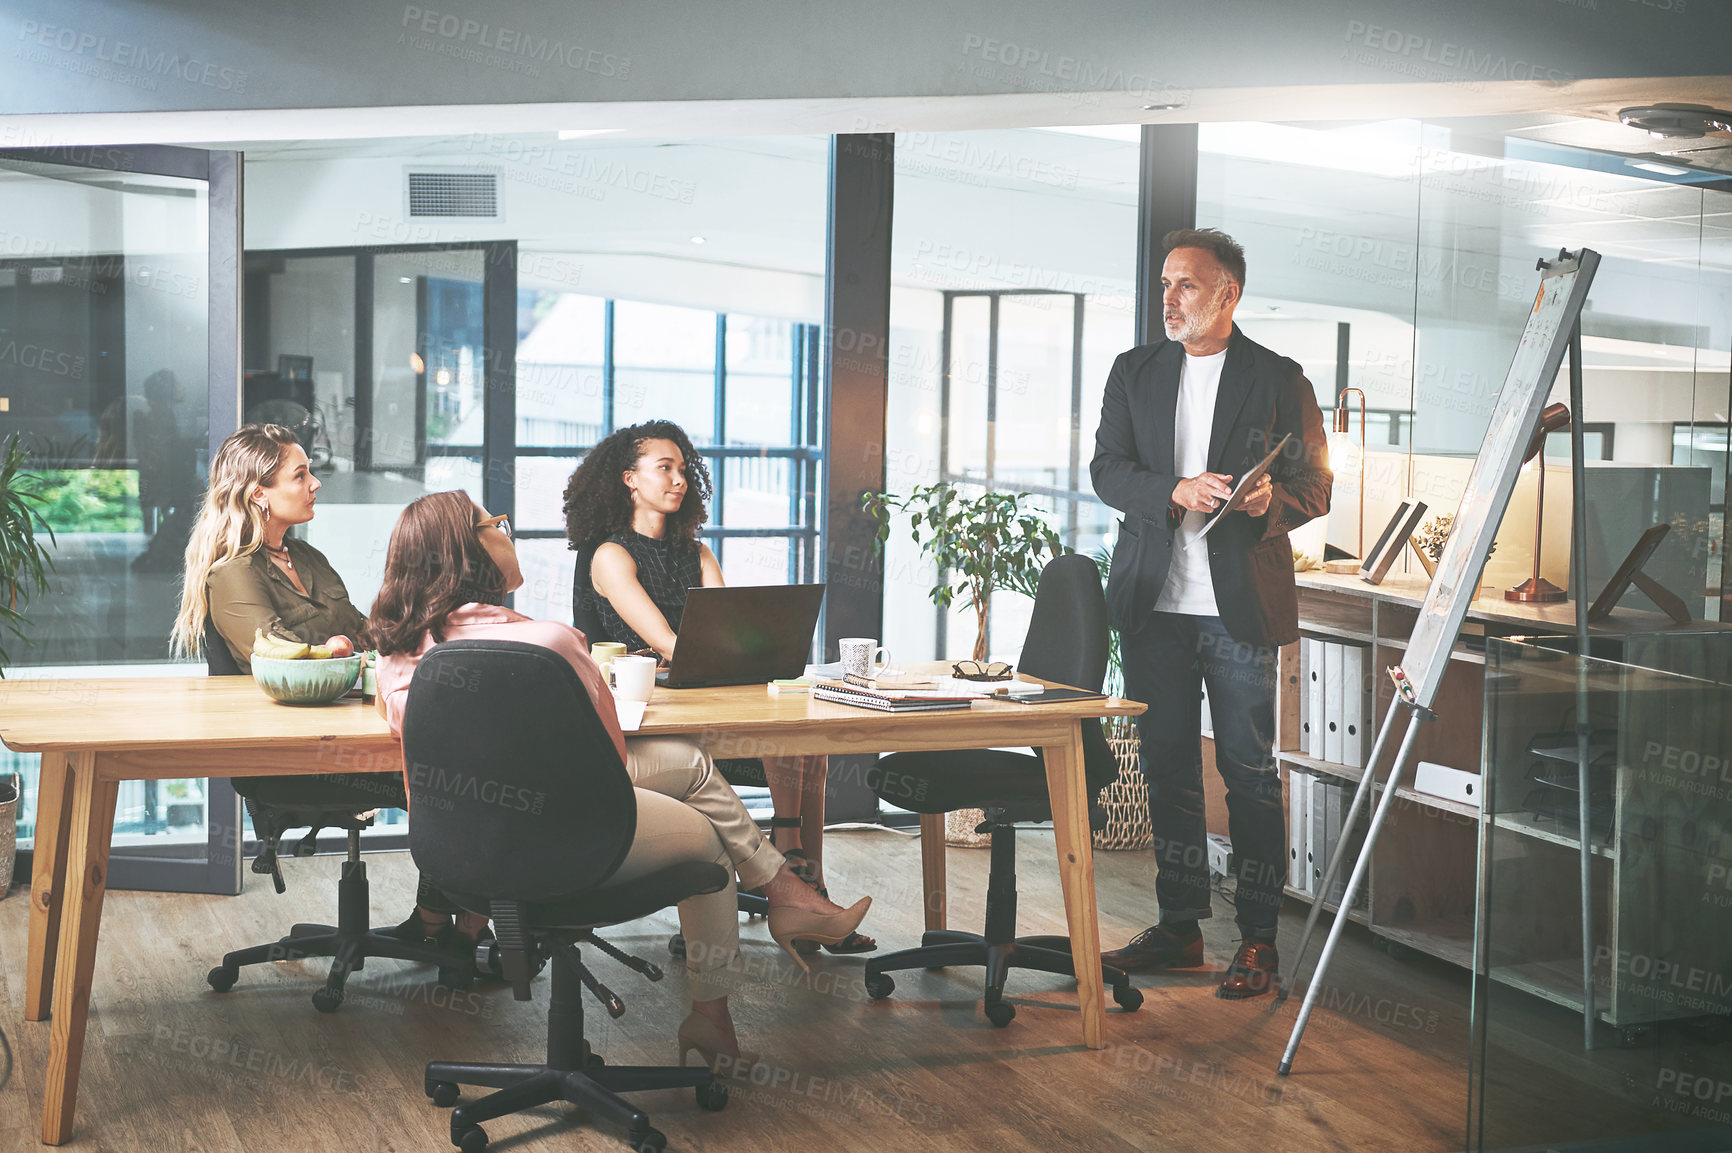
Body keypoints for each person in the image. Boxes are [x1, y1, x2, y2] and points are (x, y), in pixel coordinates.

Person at [368, 490, 871, 1065]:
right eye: (497, 523)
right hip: (567, 837)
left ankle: (783, 893)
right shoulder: (551, 644)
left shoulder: (397, 655)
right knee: (708, 849)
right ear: (470, 549)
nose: (508, 532)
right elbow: (606, 765)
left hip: (457, 850)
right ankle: (713, 1013)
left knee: (687, 761)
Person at [1090, 228, 1331, 999]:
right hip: (1154, 603)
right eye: (1165, 283)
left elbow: (1315, 489)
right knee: (1166, 766)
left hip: (1238, 607)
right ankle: (1181, 924)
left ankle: (1257, 939)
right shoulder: (1135, 371)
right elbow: (1106, 470)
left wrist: (1268, 501)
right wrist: (1173, 489)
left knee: (1249, 772)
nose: (1169, 298)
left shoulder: (1279, 378)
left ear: (1228, 293)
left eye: (1186, 285)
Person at [563, 419, 874, 955]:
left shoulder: (696, 553)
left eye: (684, 469)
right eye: (664, 468)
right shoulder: (610, 555)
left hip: (704, 700)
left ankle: (800, 878)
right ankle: (794, 883)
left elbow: (729, 638)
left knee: (806, 745)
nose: (679, 479)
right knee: (782, 736)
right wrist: (735, 652)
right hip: (645, 715)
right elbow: (670, 644)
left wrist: (762, 650)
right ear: (629, 480)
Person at [170, 423, 473, 952]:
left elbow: (366, 632)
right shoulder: (231, 573)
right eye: (300, 474)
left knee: (467, 765)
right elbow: (278, 654)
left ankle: (452, 923)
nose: (315, 484)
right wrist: (342, 648)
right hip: (296, 755)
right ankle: (444, 927)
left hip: (348, 728)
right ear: (257, 493)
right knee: (452, 783)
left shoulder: (307, 559)